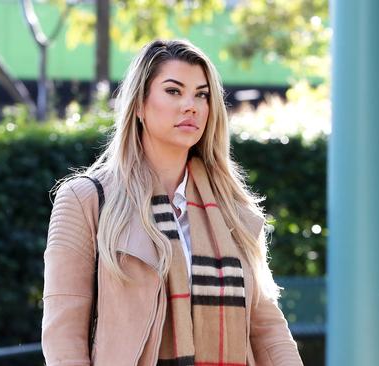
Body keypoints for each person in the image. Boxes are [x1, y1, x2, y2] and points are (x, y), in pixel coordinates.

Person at [42, 39, 303, 366]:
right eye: (174, 91)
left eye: (201, 94)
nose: (190, 106)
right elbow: (63, 333)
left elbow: (266, 325)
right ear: (139, 104)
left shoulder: (232, 210)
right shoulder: (86, 200)